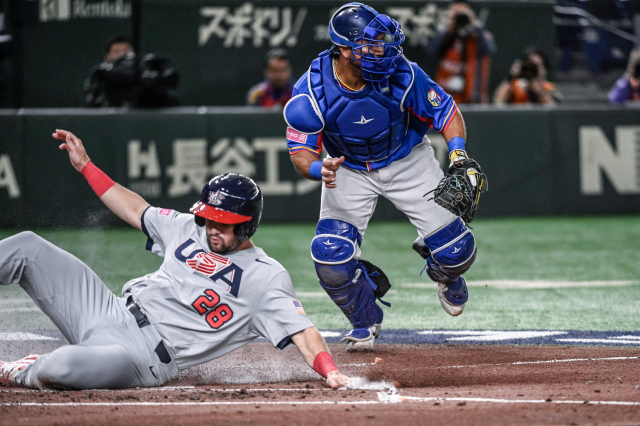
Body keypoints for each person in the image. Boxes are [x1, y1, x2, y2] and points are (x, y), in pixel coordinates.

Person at [0, 129, 349, 390]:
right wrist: (87, 167)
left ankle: (17, 370)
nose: (212, 229)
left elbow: (303, 333)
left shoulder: (267, 278)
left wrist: (330, 370)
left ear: (247, 225)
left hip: (141, 357)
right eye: (209, 219)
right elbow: (136, 209)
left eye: (223, 224)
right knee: (28, 247)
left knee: (61, 366)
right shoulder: (188, 228)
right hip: (109, 309)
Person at [283, 3, 484, 352]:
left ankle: (446, 275)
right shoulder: (312, 89)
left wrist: (458, 152)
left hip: (407, 159)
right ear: (344, 49)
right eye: (370, 44)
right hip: (348, 167)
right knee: (330, 257)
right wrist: (320, 168)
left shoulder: (401, 72)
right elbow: (302, 155)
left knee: (458, 252)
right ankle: (365, 319)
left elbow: (446, 110)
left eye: (382, 42)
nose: (382, 50)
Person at [426, 0, 495, 104]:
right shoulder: (446, 35)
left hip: (471, 95)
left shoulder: (478, 35)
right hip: (445, 95)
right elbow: (432, 51)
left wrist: (474, 23)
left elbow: (489, 50)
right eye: (455, 12)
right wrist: (451, 26)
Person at [493, 47, 560, 105]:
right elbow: (498, 101)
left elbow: (554, 110)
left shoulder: (548, 87)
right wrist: (510, 76)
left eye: (537, 65)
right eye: (531, 65)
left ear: (544, 69)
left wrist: (539, 91)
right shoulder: (515, 86)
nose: (534, 69)